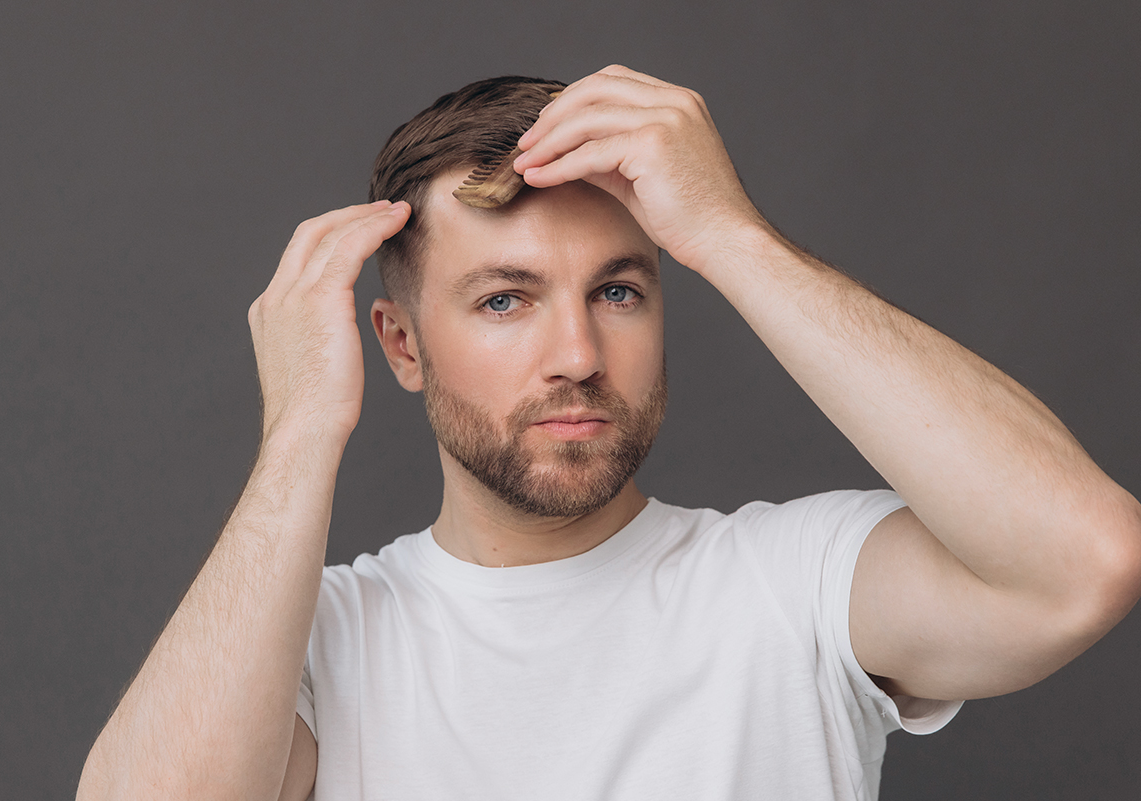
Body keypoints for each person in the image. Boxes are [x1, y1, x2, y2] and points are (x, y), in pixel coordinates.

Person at [77, 66, 1141, 800]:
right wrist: (301, 428)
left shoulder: (797, 586)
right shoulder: (317, 646)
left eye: (619, 291)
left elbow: (1085, 562)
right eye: (505, 300)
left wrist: (730, 235)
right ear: (400, 346)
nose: (579, 354)